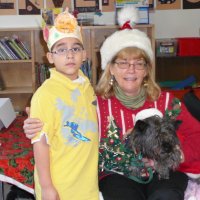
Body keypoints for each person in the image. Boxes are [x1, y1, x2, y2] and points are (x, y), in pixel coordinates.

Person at [24, 6, 200, 200]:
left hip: (164, 174)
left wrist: (177, 153)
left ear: (146, 70)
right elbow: (64, 114)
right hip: (117, 176)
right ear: (111, 70)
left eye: (139, 63)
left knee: (165, 195)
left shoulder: (167, 102)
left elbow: (197, 138)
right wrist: (34, 122)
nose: (131, 70)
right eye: (123, 63)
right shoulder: (96, 103)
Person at [28, 9, 99, 200]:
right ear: (50, 57)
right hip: (60, 185)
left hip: (87, 184)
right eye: (61, 49)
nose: (69, 55)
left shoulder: (86, 85)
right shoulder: (45, 94)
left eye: (75, 48)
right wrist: (47, 186)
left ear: (83, 54)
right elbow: (40, 143)